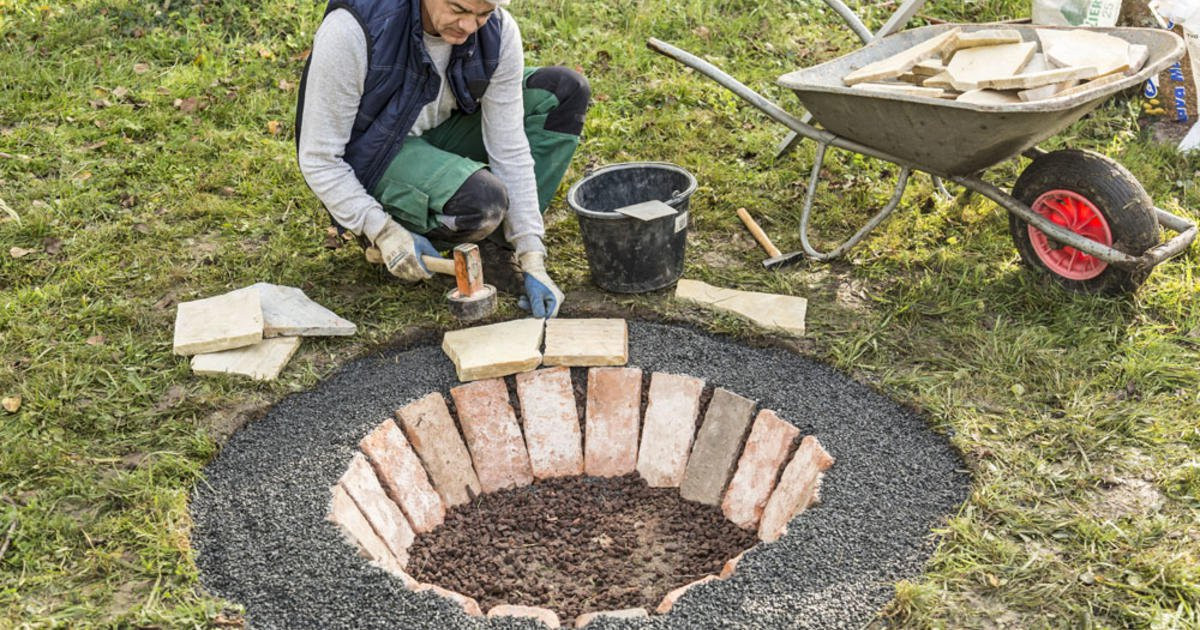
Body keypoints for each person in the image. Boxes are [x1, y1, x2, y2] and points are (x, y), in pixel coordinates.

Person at [296, 0, 589, 317]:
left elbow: (510, 146)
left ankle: (496, 248)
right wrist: (382, 230)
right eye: (458, 9)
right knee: (483, 202)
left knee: (561, 92)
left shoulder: (497, 32)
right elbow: (319, 158)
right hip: (374, 156)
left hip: (440, 133)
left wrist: (531, 252)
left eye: (482, 14)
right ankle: (403, 236)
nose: (468, 26)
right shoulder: (352, 30)